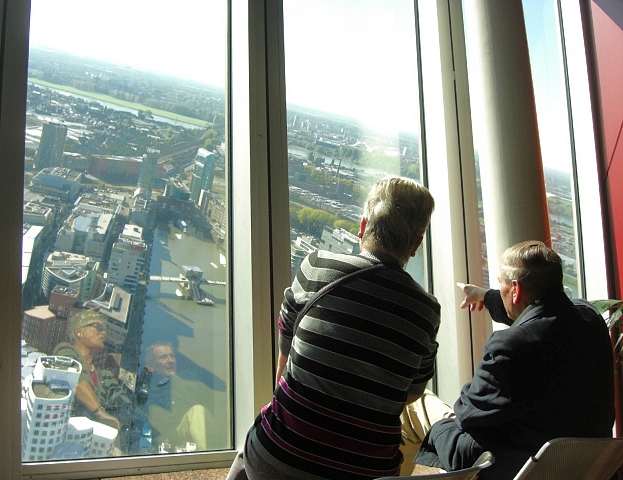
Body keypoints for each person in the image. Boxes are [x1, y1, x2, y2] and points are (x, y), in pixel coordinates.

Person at [226, 176, 441, 480]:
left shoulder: (318, 265)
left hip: (279, 460)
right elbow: (410, 394)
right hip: (366, 473)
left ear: (363, 225)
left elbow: (285, 358)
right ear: (416, 244)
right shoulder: (426, 311)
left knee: (256, 443)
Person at [414, 240, 615, 478]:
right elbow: (543, 312)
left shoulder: (508, 348)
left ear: (516, 289)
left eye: (500, 284)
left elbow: (467, 414)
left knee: (429, 414)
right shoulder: (591, 320)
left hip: (515, 465)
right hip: (577, 465)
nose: (499, 290)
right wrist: (486, 296)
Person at [137, 341, 225, 452]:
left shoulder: (187, 382)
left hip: (189, 443)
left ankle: (210, 456)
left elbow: (220, 386)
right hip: (165, 447)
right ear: (151, 366)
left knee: (199, 411)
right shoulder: (146, 394)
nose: (170, 361)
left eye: (172, 356)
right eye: (163, 357)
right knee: (197, 411)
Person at [53, 311, 122, 430]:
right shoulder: (64, 349)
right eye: (98, 328)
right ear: (79, 331)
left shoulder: (105, 374)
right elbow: (75, 378)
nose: (104, 333)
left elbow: (120, 399)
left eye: (105, 330)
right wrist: (101, 412)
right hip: (67, 429)